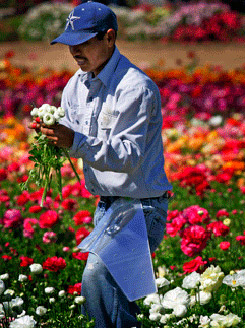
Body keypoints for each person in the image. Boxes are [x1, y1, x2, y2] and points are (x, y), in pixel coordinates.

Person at [38, 2, 172, 327]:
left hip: (141, 208)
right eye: (70, 42)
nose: (74, 51)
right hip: (107, 208)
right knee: (116, 304)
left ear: (109, 38)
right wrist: (49, 139)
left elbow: (127, 156)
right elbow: (72, 137)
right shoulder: (76, 85)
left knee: (98, 275)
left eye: (83, 41)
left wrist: (73, 141)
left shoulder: (135, 89)